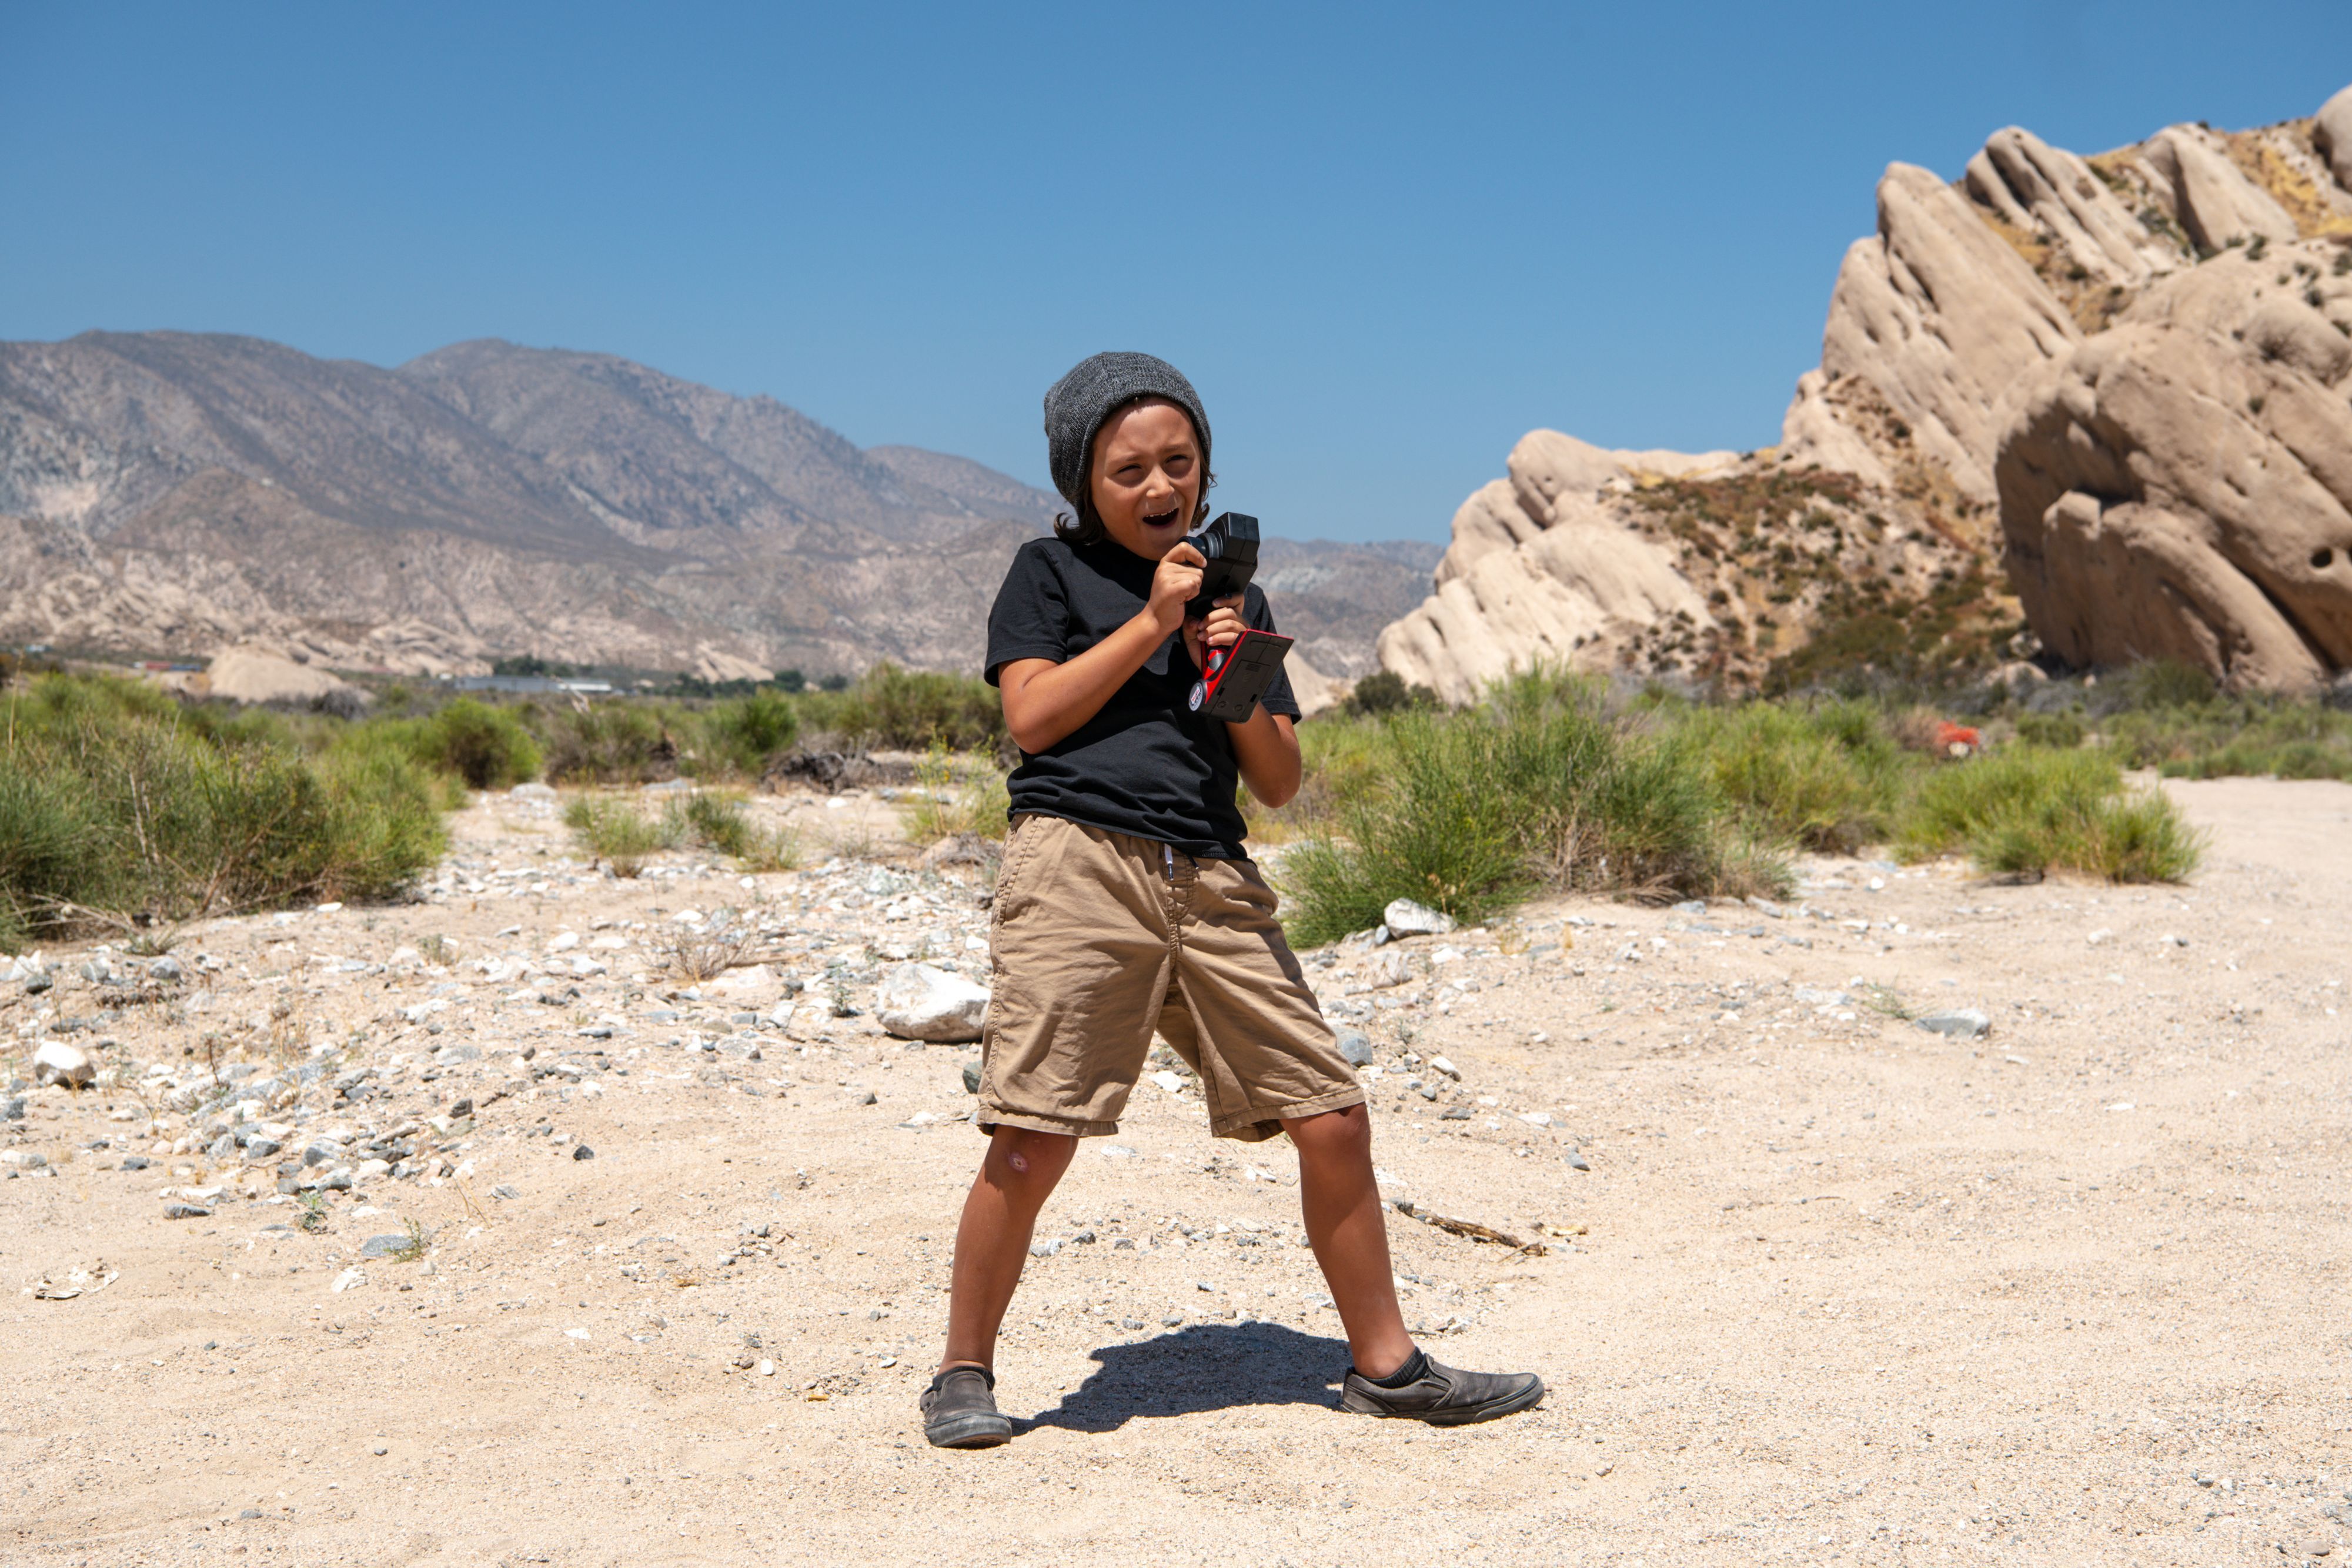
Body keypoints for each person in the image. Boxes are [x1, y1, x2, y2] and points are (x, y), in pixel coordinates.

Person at [919, 351, 1542, 1448]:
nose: (1160, 490)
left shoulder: (1234, 596)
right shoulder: (1045, 576)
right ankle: (963, 1373)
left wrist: (1235, 660)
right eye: (1128, 472)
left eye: (1179, 463)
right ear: (1082, 483)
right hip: (1080, 865)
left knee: (1333, 1115)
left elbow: (1281, 781)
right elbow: (1033, 719)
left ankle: (1387, 1368)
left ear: (1206, 468)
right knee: (1032, 1136)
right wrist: (1153, 624)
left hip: (1212, 876)